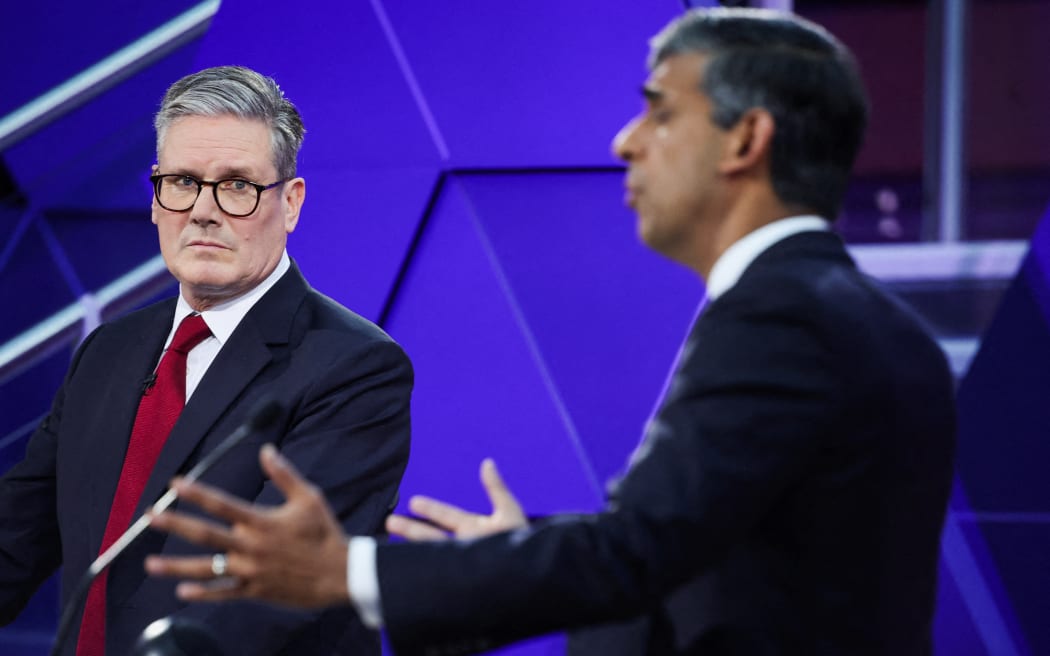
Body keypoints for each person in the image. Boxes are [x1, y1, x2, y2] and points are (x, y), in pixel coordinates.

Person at [144, 9, 957, 655]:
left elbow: (638, 554)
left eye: (660, 111)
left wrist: (347, 570)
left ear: (746, 140)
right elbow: (720, 556)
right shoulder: (868, 320)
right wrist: (521, 551)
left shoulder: (783, 316)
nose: (624, 142)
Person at [0, 66, 413, 656]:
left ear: (290, 203)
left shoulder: (356, 367)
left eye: (237, 185)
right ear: (155, 198)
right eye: (183, 182)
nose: (202, 210)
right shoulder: (106, 350)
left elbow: (270, 588)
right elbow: (17, 535)